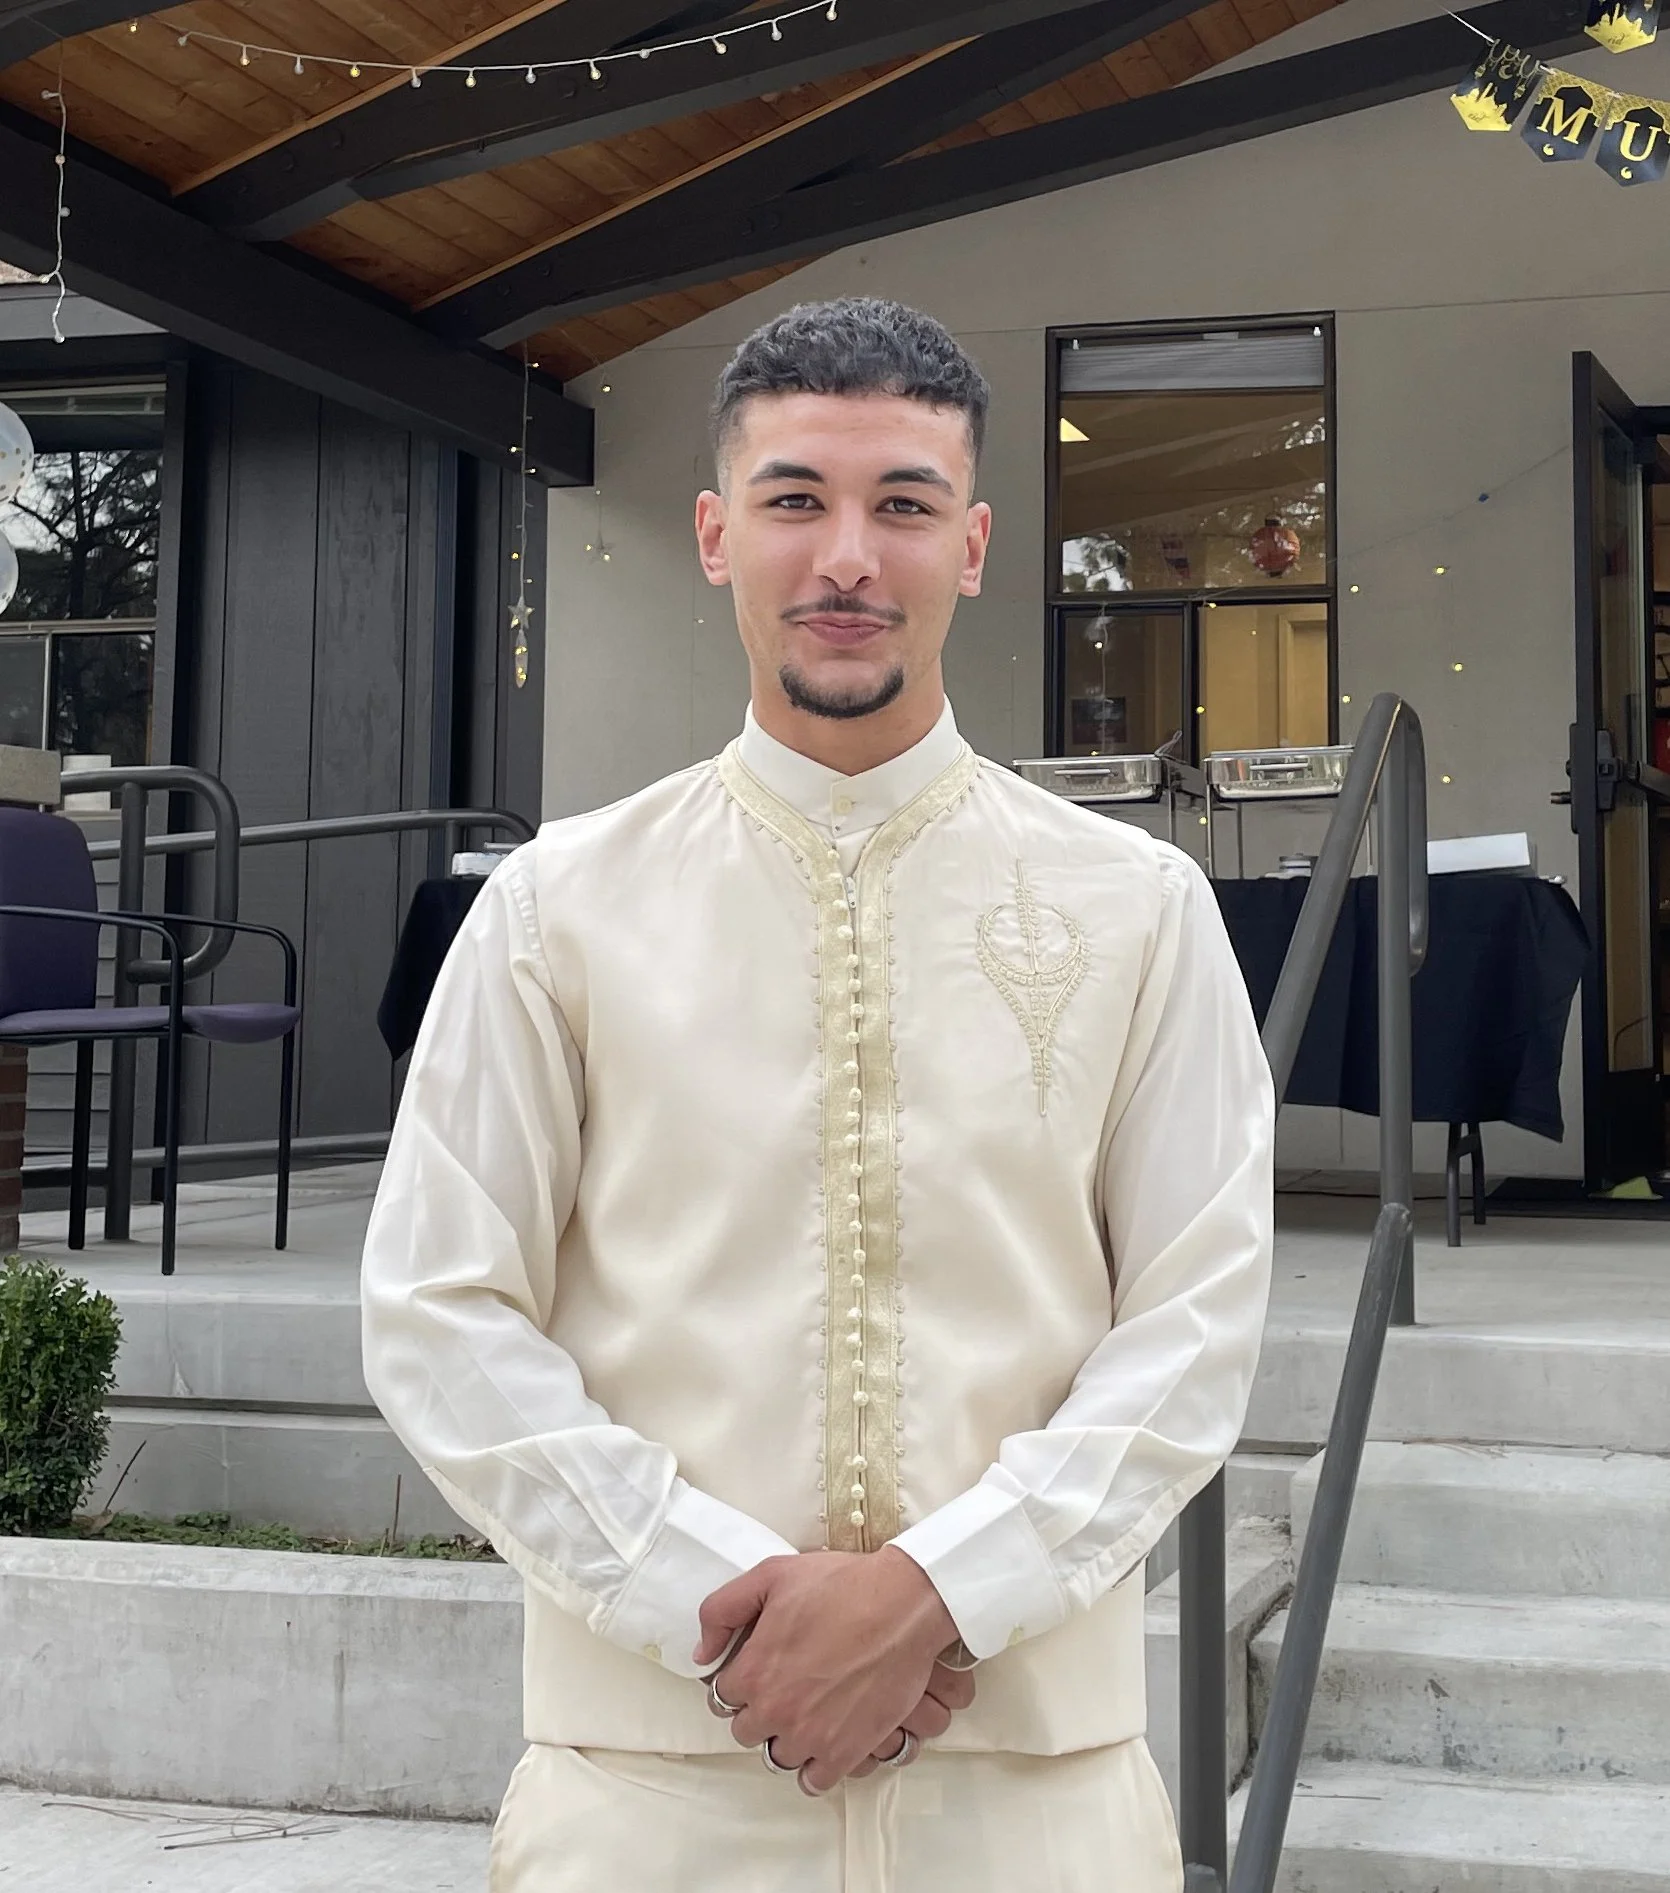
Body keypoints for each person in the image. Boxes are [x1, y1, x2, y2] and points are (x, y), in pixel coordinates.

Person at [361, 296, 1275, 1893]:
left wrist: (938, 1590)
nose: (847, 556)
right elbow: (439, 1309)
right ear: (716, 533)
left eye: (902, 505)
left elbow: (1195, 1323)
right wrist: (715, 1601)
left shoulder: (1131, 906)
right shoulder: (559, 909)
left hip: (1032, 1781)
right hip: (654, 1774)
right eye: (796, 501)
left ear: (973, 545)